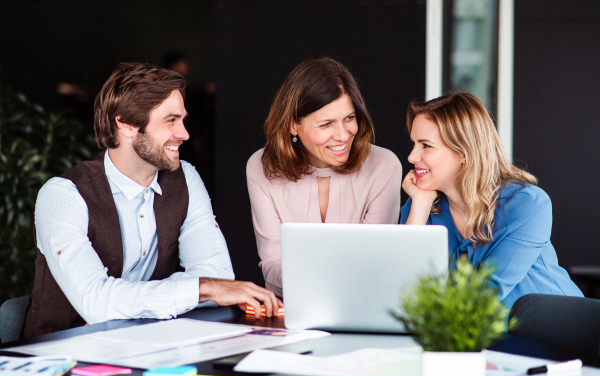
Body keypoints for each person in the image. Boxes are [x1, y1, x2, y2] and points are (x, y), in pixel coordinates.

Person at [22, 63, 281, 338]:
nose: (184, 134)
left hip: (147, 347)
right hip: (61, 356)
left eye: (182, 119)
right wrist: (197, 289)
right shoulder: (63, 195)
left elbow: (218, 276)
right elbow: (96, 303)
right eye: (170, 120)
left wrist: (126, 305)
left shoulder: (186, 179)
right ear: (126, 124)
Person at [400, 92, 582, 308]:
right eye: (413, 144)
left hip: (555, 332)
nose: (412, 157)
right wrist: (420, 204)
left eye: (426, 145)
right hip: (470, 336)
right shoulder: (419, 205)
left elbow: (486, 295)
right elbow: (401, 289)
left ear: (464, 152)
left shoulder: (526, 205)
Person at [247, 57, 402, 297]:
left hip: (363, 306)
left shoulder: (384, 166)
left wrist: (308, 275)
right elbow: (273, 264)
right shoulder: (261, 167)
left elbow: (374, 263)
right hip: (291, 312)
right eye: (327, 124)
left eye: (349, 118)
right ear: (292, 126)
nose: (343, 135)